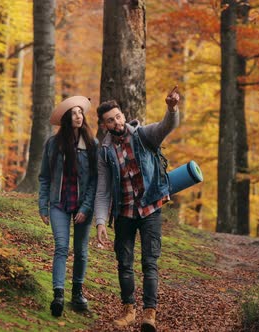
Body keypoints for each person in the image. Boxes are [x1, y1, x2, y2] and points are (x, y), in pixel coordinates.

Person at [94, 87, 181, 331]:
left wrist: (172, 109)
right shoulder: (105, 152)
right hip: (123, 213)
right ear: (104, 126)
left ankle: (149, 314)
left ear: (123, 115)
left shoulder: (143, 136)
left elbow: (166, 126)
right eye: (110, 120)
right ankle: (128, 310)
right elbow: (103, 190)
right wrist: (101, 222)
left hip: (150, 209)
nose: (116, 122)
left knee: (150, 262)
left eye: (118, 116)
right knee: (124, 262)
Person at [38, 96, 98, 317]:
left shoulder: (93, 144)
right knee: (61, 247)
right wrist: (43, 207)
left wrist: (86, 208)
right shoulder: (52, 144)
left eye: (80, 112)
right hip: (59, 204)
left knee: (81, 251)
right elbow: (44, 177)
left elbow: (94, 180)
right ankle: (58, 295)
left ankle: (77, 293)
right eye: (73, 113)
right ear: (66, 118)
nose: (78, 116)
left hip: (83, 205)